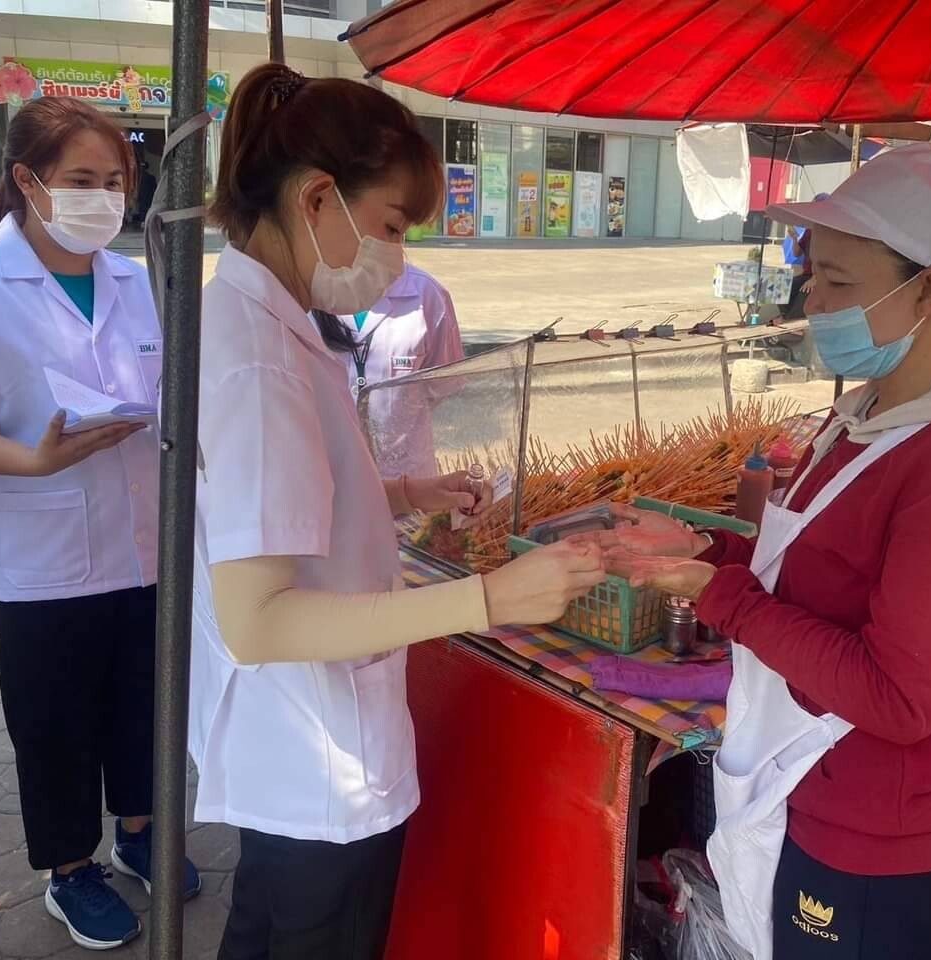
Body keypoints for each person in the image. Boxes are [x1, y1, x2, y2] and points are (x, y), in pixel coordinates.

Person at [589, 144, 931, 960]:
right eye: (813, 274)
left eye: (841, 282)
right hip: (820, 802)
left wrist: (721, 592)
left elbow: (898, 698)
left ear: (930, 290)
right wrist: (701, 546)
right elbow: (816, 575)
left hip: (891, 841)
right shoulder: (869, 414)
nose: (812, 297)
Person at [190, 63, 605, 960]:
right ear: (317, 198)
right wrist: (486, 600)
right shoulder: (260, 360)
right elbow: (257, 620)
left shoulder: (269, 322)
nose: (397, 256)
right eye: (389, 226)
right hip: (315, 757)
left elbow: (276, 503)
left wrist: (404, 493)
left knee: (262, 930)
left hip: (297, 751)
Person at [0, 96, 199, 952]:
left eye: (115, 181)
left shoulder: (142, 281)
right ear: (28, 181)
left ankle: (142, 832)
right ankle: (71, 871)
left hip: (148, 552)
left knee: (147, 708)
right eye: (81, 180)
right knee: (56, 727)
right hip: (40, 564)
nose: (102, 197)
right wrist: (34, 459)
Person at [342, 263, 465, 479]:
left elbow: (441, 384)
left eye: (394, 231)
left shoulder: (428, 294)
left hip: (407, 475)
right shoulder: (307, 295)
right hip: (332, 477)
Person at [781, 192, 829, 320]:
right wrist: (795, 238)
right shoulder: (809, 230)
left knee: (804, 291)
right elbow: (797, 253)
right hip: (806, 274)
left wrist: (815, 278)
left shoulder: (829, 233)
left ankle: (793, 323)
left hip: (822, 276)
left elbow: (828, 260)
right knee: (782, 288)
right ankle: (786, 318)